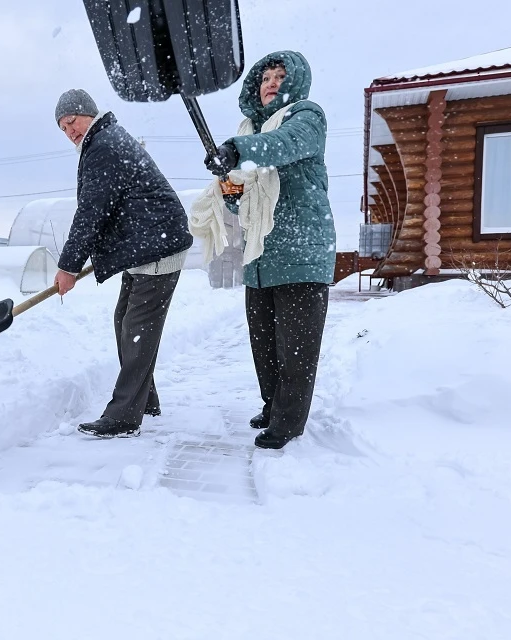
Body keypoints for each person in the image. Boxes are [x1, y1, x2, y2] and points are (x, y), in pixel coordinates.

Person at [201, 51, 337, 450]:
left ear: (294, 82)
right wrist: (231, 191)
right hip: (261, 254)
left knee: (295, 347)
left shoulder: (307, 117)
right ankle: (273, 404)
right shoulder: (250, 132)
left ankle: (288, 422)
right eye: (265, 78)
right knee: (264, 342)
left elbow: (282, 145)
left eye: (281, 76)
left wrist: (237, 150)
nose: (272, 82)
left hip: (301, 251)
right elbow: (244, 204)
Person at [52, 89, 193, 439]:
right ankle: (145, 399)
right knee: (125, 321)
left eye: (71, 122)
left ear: (88, 114)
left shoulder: (103, 145)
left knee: (137, 327)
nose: (69, 131)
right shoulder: (105, 140)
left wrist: (69, 266)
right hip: (145, 245)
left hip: (158, 246)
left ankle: (124, 415)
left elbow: (90, 212)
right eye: (62, 128)